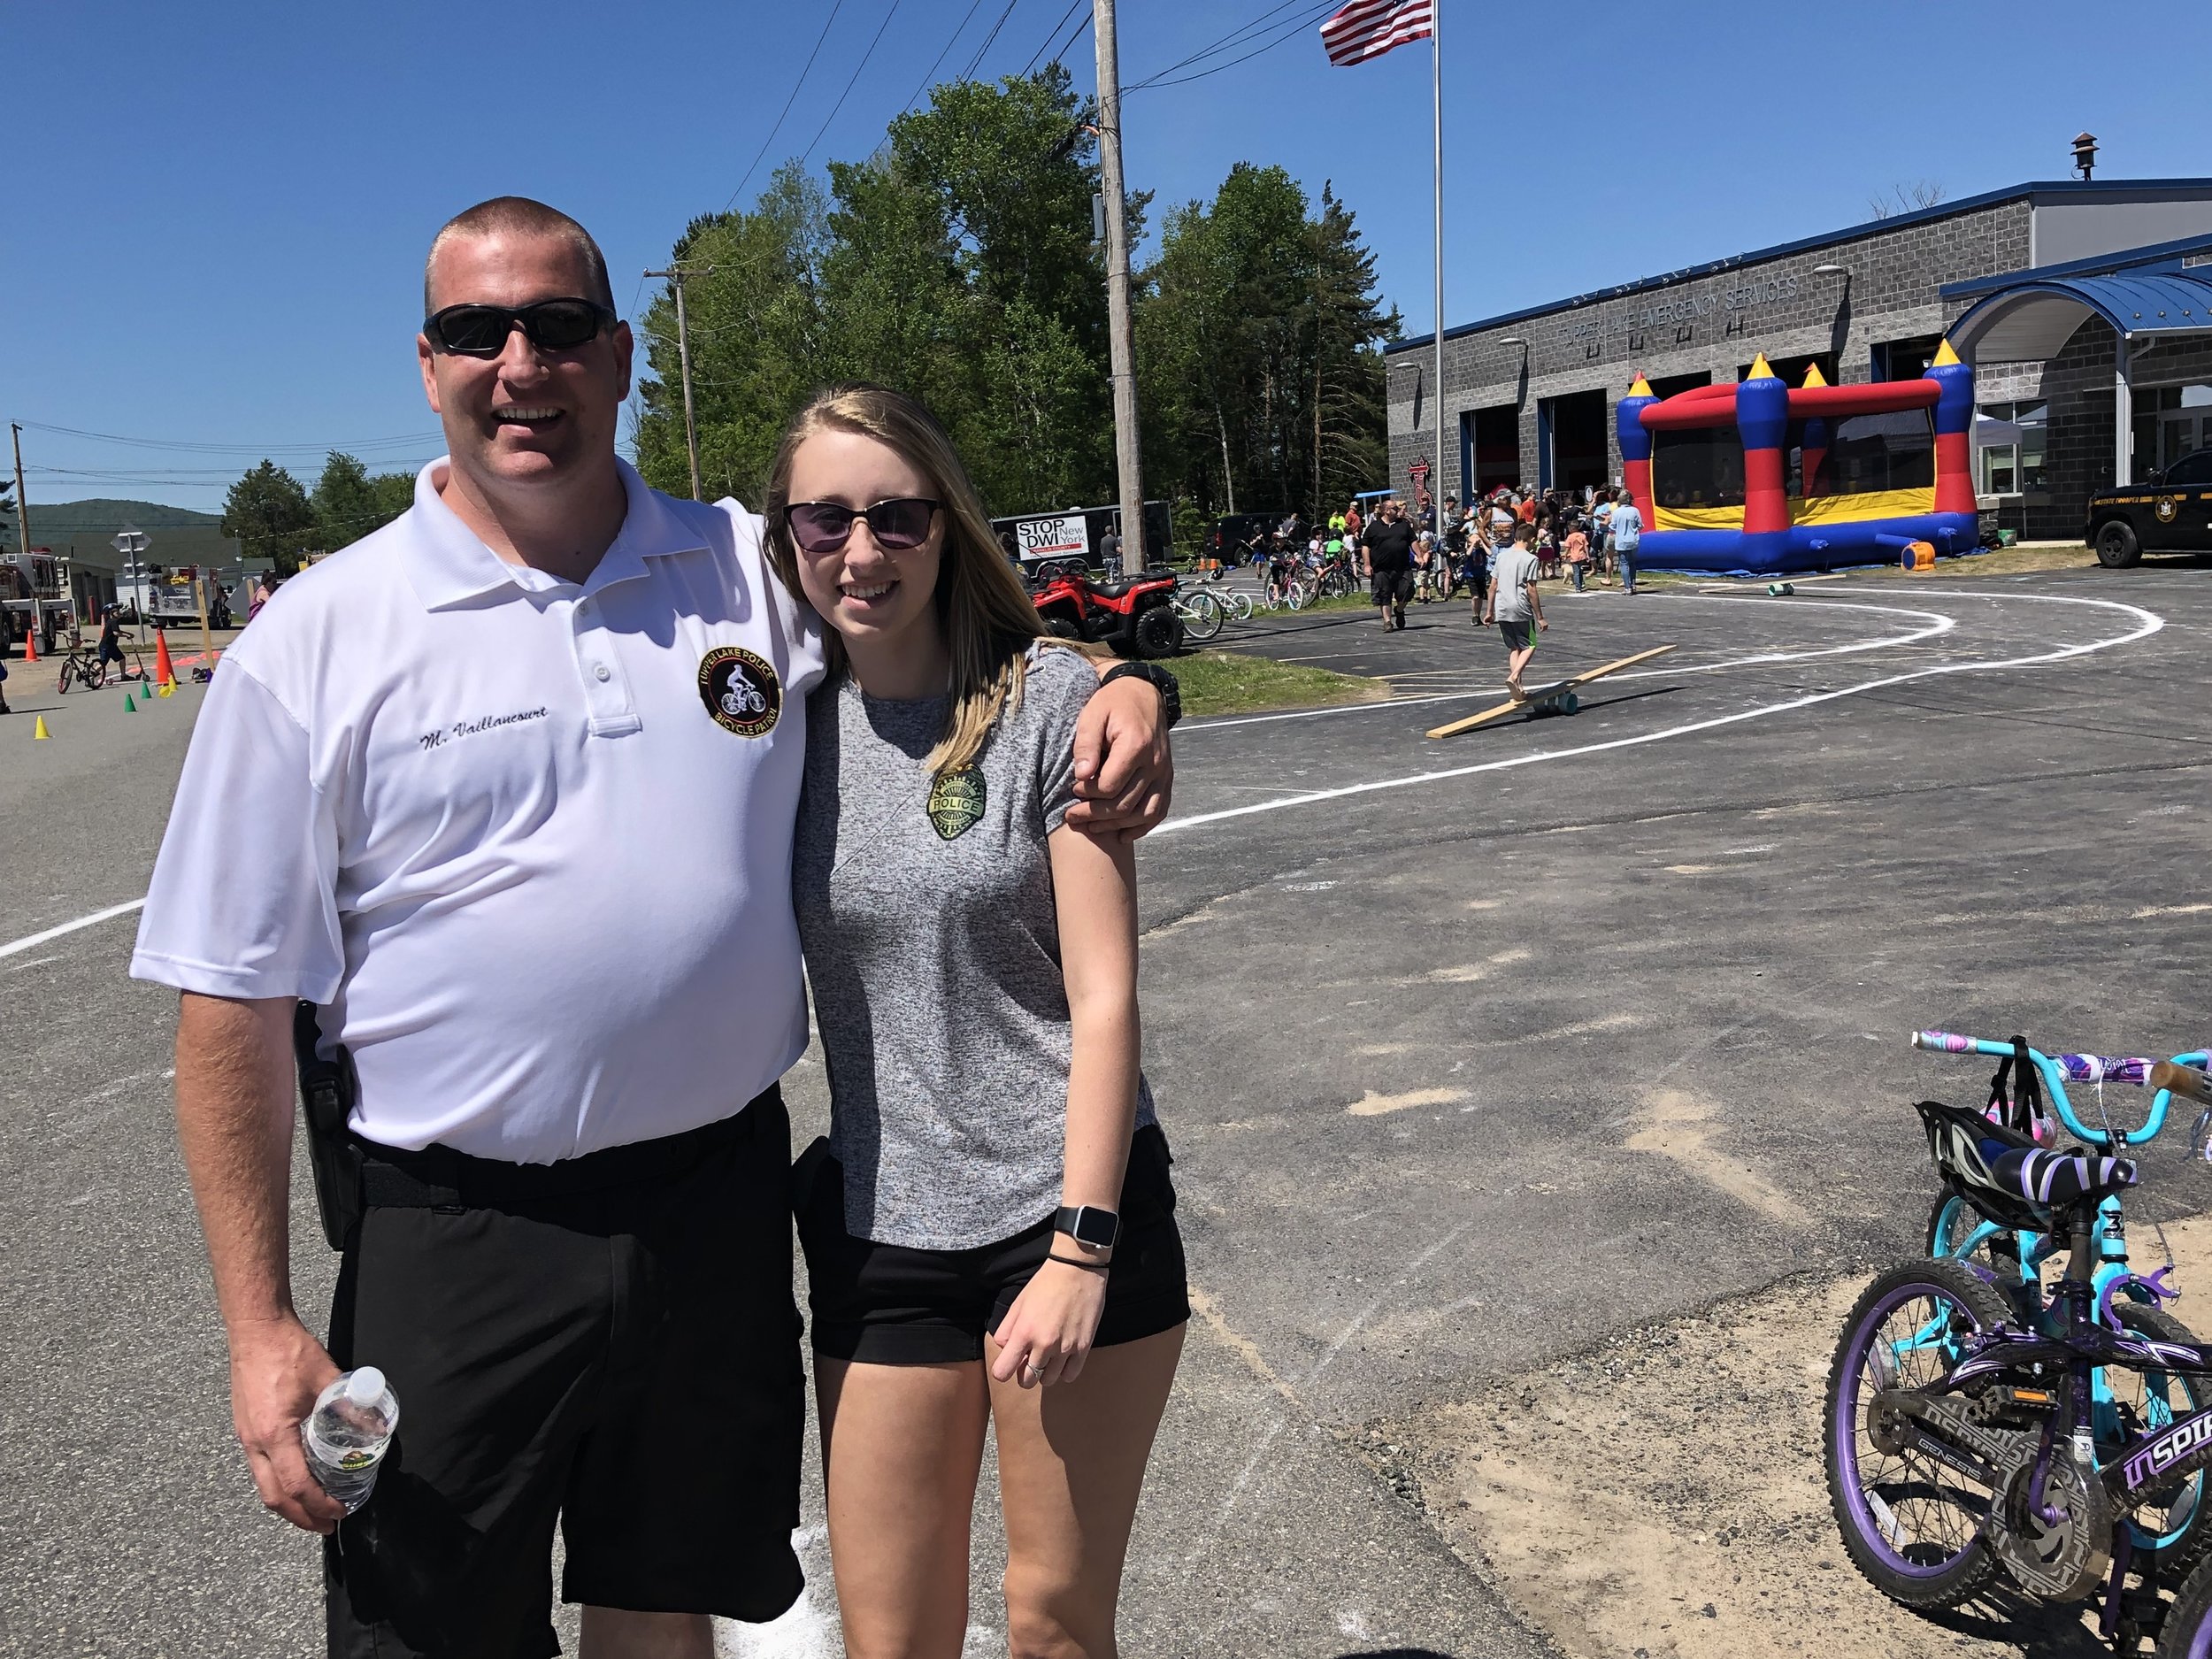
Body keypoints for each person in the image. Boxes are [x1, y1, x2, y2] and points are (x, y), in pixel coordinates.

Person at [128, 196, 1173, 1659]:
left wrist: (1127, 682)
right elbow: (226, 1007)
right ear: (425, 366)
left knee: (667, 1593)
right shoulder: (319, 638)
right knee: (426, 1621)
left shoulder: (743, 569)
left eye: (557, 328)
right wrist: (259, 1330)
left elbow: (939, 628)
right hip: (456, 1229)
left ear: (619, 358)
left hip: (714, 1212)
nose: (519, 363)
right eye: (474, 332)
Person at [769, 384, 1187, 1659]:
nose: (861, 549)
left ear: (947, 528)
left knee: (1053, 1620)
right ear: (783, 536)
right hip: (882, 1227)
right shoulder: (770, 723)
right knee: (893, 1639)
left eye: (897, 517)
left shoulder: (1049, 702)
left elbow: (1105, 996)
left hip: (1062, 1211)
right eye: (826, 518)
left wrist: (1081, 1242)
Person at [1481, 521, 1548, 698]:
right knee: (1530, 645)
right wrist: (1540, 616)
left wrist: (1489, 612)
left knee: (1514, 648)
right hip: (1520, 607)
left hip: (1502, 607)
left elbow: (1492, 586)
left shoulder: (1502, 557)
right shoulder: (1531, 559)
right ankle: (1515, 675)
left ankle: (1517, 686)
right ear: (1532, 539)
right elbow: (1531, 589)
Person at [1360, 496, 1415, 630]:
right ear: (1387, 511)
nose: (1398, 510)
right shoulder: (1374, 527)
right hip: (1381, 568)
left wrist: (1419, 556)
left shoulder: (1403, 525)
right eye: (1395, 508)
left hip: (1402, 567)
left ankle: (1399, 610)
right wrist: (1367, 564)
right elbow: (1365, 546)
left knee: (1407, 591)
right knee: (1384, 595)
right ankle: (1387, 621)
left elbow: (1413, 541)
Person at [1610, 489, 1644, 595]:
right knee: (1632, 563)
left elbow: (1612, 526)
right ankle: (1633, 584)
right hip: (1633, 540)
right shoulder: (1635, 510)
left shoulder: (1616, 512)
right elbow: (1640, 525)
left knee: (1624, 564)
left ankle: (1627, 587)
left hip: (1621, 541)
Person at [1563, 518, 1591, 593]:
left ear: (1572, 528)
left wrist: (1565, 555)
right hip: (1582, 556)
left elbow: (1568, 547)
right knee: (1580, 570)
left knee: (1576, 572)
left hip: (1574, 557)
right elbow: (1586, 546)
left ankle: (1578, 587)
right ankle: (1581, 583)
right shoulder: (1582, 535)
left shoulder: (1570, 537)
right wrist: (1588, 555)